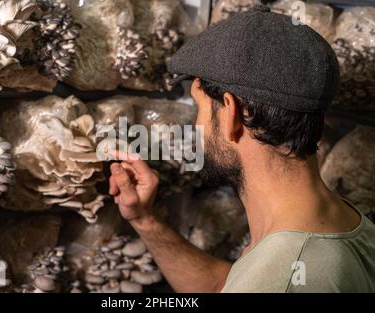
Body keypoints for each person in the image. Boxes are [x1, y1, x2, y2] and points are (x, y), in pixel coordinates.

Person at [109, 6, 375, 292]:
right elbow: (226, 285)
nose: (195, 127)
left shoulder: (284, 278)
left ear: (230, 113)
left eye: (200, 108)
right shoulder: (345, 227)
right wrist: (144, 219)